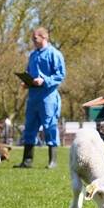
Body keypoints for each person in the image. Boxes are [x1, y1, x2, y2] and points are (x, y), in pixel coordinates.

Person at [15, 27, 66, 169]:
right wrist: (27, 82)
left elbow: (60, 75)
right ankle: (27, 161)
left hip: (47, 97)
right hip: (33, 97)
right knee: (29, 127)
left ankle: (52, 161)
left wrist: (44, 81)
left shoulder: (54, 54)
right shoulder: (33, 55)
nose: (33, 41)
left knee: (50, 126)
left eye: (35, 38)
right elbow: (29, 72)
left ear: (44, 37)